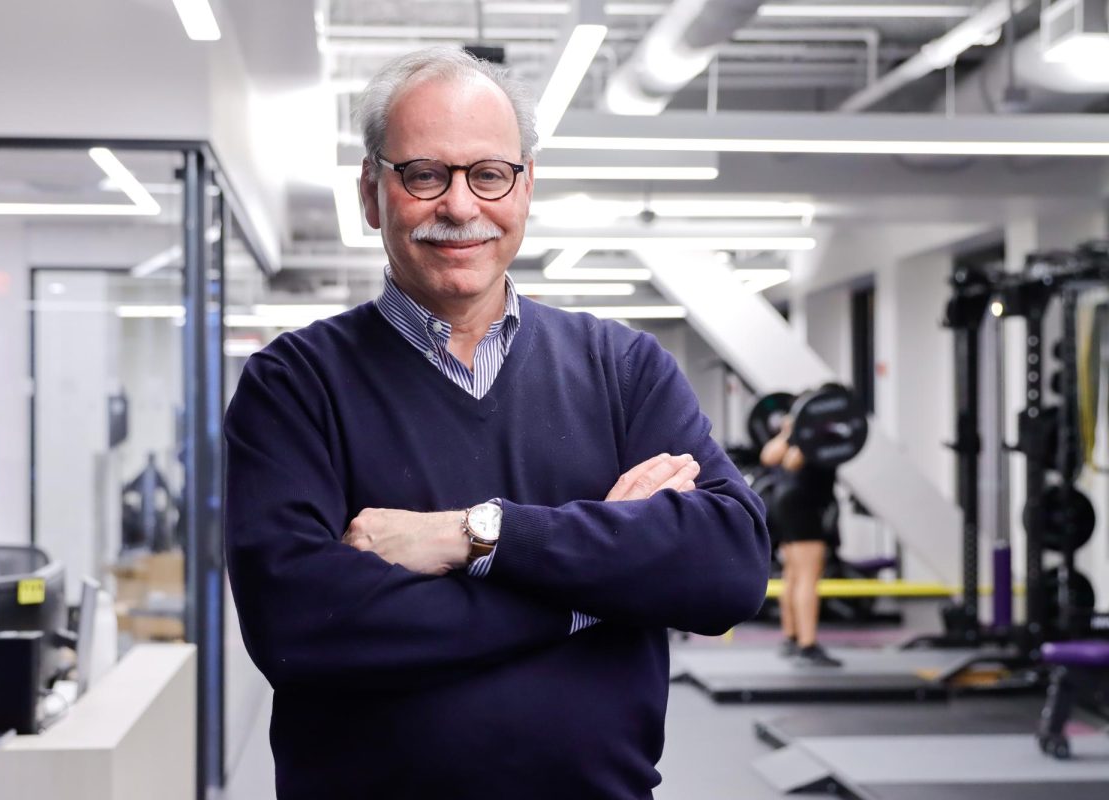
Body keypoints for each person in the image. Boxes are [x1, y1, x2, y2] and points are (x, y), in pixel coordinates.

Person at [224, 46, 770, 799]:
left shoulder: (625, 369)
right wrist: (593, 589)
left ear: (525, 186)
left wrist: (476, 536)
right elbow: (303, 630)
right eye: (424, 174)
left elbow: (728, 569)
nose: (459, 206)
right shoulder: (293, 385)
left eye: (488, 173)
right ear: (371, 193)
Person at [760, 414, 843, 667]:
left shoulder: (799, 435)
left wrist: (791, 432)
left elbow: (769, 457)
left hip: (785, 503)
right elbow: (788, 461)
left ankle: (791, 636)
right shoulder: (810, 435)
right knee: (808, 576)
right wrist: (797, 433)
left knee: (793, 575)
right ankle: (807, 645)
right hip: (803, 506)